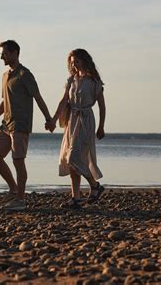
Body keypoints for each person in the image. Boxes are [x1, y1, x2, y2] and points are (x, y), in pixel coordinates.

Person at [0, 40, 54, 211]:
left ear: (14, 53)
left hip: (20, 125)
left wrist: (49, 119)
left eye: (4, 53)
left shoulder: (25, 74)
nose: (1, 57)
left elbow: (37, 97)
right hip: (6, 124)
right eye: (1, 54)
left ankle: (20, 200)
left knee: (18, 161)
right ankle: (14, 189)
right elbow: (4, 102)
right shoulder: (5, 76)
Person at [49, 48, 106, 208]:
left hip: (86, 120)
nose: (74, 64)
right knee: (70, 160)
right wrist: (53, 120)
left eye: (77, 61)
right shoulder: (71, 80)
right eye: (72, 62)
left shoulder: (94, 82)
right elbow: (63, 101)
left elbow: (102, 106)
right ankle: (75, 197)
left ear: (84, 61)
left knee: (74, 158)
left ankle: (95, 185)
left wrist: (101, 126)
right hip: (71, 121)